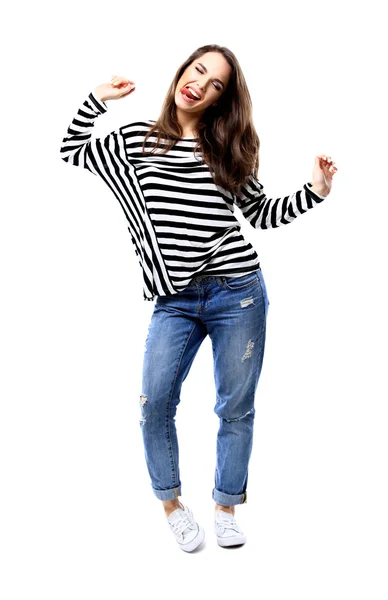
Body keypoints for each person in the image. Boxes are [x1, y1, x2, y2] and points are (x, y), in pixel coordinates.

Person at [60, 44, 337, 552]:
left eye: (215, 85)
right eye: (199, 71)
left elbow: (262, 214)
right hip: (176, 300)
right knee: (154, 404)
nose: (201, 85)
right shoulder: (133, 141)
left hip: (240, 293)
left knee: (235, 408)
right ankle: (172, 505)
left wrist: (315, 190)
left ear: (220, 100)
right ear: (183, 71)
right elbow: (72, 148)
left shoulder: (227, 148)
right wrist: (98, 98)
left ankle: (227, 506)